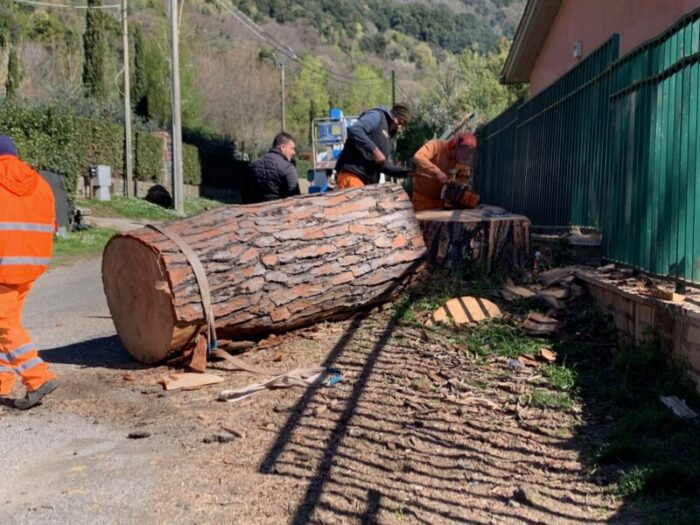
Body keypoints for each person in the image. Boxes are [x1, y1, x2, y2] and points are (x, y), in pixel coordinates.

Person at [0, 135, 59, 410]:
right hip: (29, 267)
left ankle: (38, 378)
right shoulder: (40, 184)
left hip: (2, 269)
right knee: (7, 322)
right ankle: (1, 384)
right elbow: (53, 225)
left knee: (4, 325)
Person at [334, 103, 412, 189]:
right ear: (394, 115)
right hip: (352, 174)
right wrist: (375, 150)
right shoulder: (377, 116)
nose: (399, 126)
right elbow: (355, 129)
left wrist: (406, 172)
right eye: (399, 121)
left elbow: (382, 164)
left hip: (367, 183)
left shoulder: (391, 138)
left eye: (402, 124)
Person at [411, 132, 478, 212]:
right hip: (422, 200)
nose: (467, 155)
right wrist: (437, 171)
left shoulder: (460, 162)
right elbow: (418, 157)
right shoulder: (436, 145)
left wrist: (457, 188)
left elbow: (462, 180)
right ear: (455, 145)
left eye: (469, 153)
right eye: (465, 152)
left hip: (441, 203)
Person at [242, 132, 300, 203]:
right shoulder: (288, 167)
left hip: (254, 211)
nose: (293, 152)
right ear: (282, 147)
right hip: (280, 211)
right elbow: (294, 198)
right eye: (292, 148)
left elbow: (245, 194)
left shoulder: (253, 165)